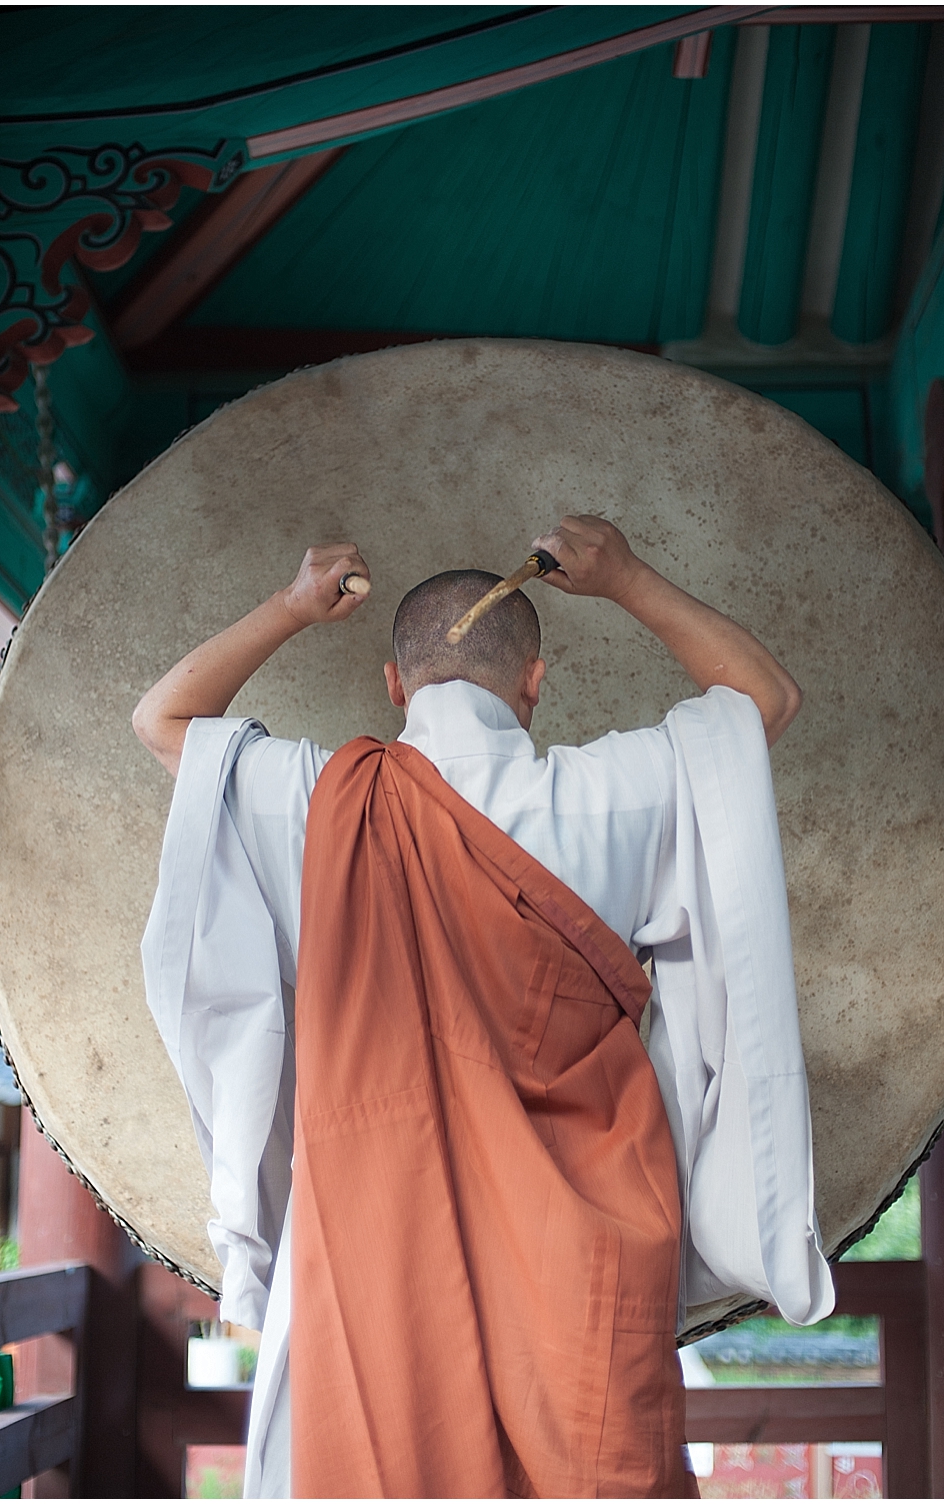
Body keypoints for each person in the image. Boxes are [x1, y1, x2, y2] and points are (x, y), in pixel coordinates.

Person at [134, 515, 833, 1498]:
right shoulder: (608, 793)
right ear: (535, 681)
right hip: (583, 1235)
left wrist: (292, 607)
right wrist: (627, 576)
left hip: (376, 1232)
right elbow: (763, 698)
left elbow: (163, 722)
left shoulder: (326, 802)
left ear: (393, 686)